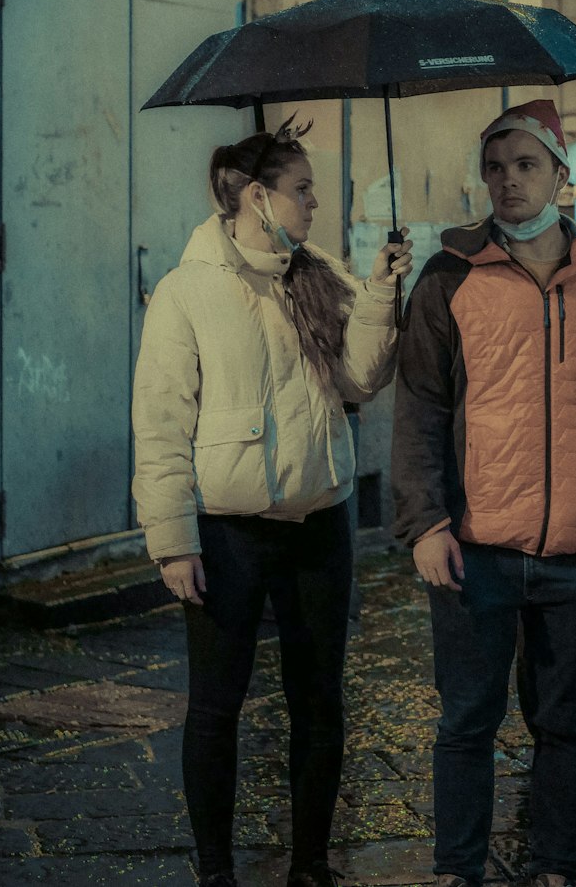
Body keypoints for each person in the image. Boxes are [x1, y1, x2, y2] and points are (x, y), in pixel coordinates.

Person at [132, 116, 412, 887]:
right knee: (216, 705)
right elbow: (160, 421)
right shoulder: (188, 292)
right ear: (257, 197)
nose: (315, 202)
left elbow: (360, 378)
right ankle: (216, 870)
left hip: (320, 523)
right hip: (227, 533)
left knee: (320, 700)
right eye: (302, 189)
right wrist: (173, 539)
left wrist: (383, 289)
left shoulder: (314, 271)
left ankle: (311, 864)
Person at [391, 99, 576, 887]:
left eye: (526, 165)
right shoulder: (448, 278)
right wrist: (425, 523)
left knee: (566, 724)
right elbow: (419, 410)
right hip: (475, 548)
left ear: (560, 176)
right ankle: (457, 870)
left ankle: (554, 867)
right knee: (467, 722)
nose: (508, 181)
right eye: (496, 167)